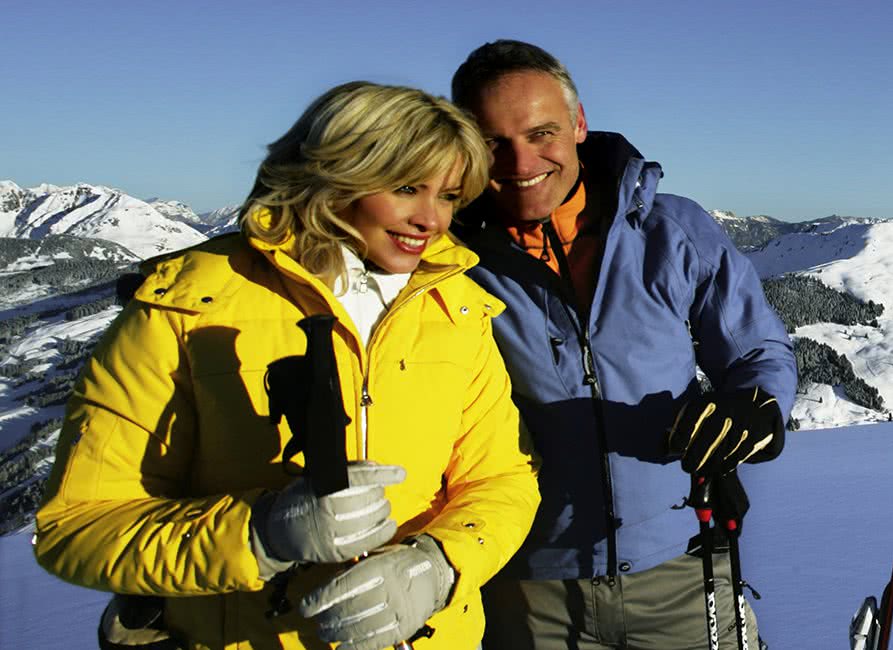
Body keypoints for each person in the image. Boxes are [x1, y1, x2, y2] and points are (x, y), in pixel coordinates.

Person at [33, 81, 540, 650]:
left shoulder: (455, 308)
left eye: (448, 196)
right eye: (405, 188)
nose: (432, 220)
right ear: (335, 173)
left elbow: (501, 479)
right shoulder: (187, 306)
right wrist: (259, 536)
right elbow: (76, 527)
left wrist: (439, 564)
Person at [446, 40, 797, 649]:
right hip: (524, 589)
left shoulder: (671, 232)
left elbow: (754, 351)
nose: (519, 160)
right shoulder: (446, 261)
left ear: (579, 124)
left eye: (541, 133)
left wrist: (758, 409)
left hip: (683, 570)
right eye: (492, 142)